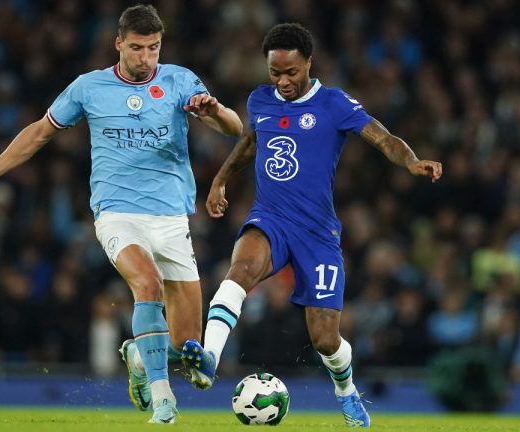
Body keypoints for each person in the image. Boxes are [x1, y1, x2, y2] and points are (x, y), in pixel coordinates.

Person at [0, 4, 242, 424]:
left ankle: (139, 358)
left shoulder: (180, 80)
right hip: (116, 213)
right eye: (138, 48)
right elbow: (38, 132)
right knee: (148, 282)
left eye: (154, 48)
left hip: (172, 218)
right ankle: (163, 402)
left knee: (185, 344)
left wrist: (214, 111)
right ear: (118, 44)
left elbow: (234, 127)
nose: (146, 58)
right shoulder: (89, 87)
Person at [181, 23, 442, 427]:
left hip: (318, 233)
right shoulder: (260, 100)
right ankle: (210, 357)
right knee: (242, 269)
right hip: (270, 217)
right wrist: (219, 179)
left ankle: (346, 390)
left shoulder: (335, 104)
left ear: (308, 64)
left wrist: (411, 161)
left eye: (290, 72)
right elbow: (252, 141)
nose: (282, 81)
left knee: (325, 339)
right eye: (275, 73)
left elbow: (384, 138)